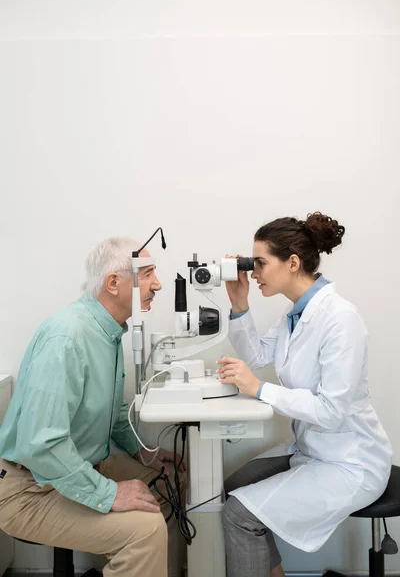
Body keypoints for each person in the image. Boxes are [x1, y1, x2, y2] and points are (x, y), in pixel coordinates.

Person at [217, 213, 392, 577]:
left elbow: (331, 410)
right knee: (232, 486)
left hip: (349, 463)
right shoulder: (294, 315)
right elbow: (257, 357)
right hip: (312, 450)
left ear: (292, 263)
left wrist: (260, 389)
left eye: (260, 263)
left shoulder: (340, 319)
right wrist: (238, 301)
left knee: (239, 514)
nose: (255, 272)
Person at [0, 237, 186, 577]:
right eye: (146, 274)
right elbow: (42, 444)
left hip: (82, 463)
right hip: (30, 488)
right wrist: (110, 493)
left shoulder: (108, 332)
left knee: (168, 483)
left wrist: (141, 452)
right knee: (143, 533)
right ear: (114, 282)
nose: (157, 284)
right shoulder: (67, 337)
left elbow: (114, 412)